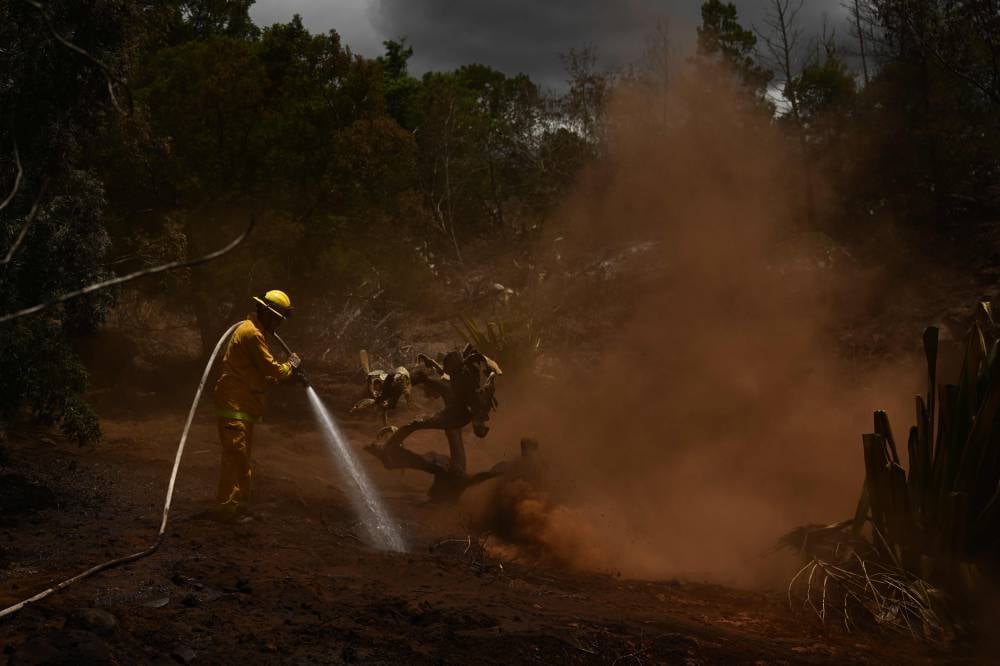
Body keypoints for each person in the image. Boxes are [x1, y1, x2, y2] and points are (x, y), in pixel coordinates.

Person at [212, 290, 302, 521]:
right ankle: (226, 507)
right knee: (235, 455)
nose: (279, 325)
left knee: (241, 456)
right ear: (269, 314)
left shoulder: (255, 332)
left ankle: (239, 505)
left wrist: (283, 376)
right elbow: (272, 368)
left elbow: (258, 372)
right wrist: (290, 366)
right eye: (278, 320)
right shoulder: (252, 334)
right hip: (234, 402)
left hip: (244, 404)